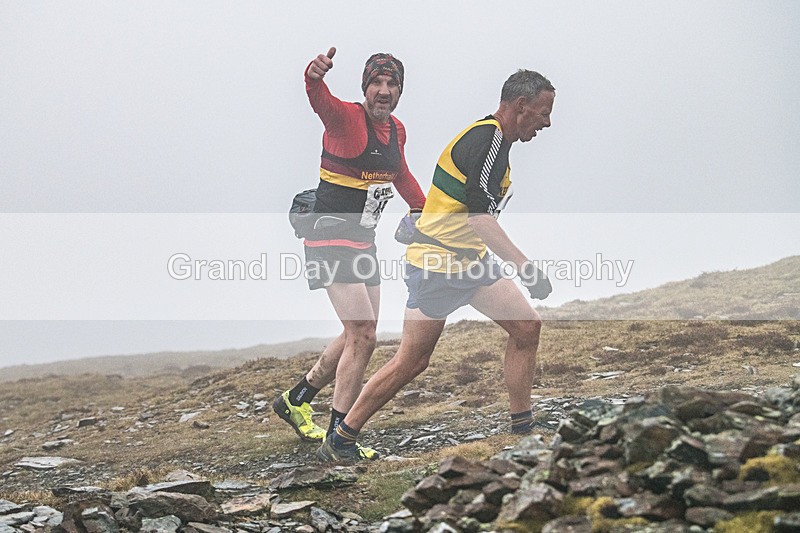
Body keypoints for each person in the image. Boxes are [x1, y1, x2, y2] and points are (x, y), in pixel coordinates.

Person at [317, 69, 555, 462]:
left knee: (527, 327)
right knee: (412, 361)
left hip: (471, 263)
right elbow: (480, 218)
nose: (547, 122)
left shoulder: (499, 144)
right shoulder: (487, 139)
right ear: (521, 106)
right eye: (543, 112)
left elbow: (473, 219)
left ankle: (523, 426)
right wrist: (527, 268)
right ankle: (342, 438)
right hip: (437, 266)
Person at [272, 47, 426, 460]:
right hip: (328, 238)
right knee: (364, 333)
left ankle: (297, 398)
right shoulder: (345, 118)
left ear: (399, 92)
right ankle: (339, 438)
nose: (384, 90)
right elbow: (317, 96)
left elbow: (402, 175)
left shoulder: (397, 131)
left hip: (363, 241)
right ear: (364, 87)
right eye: (376, 82)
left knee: (359, 331)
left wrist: (422, 209)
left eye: (392, 84)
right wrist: (313, 74)